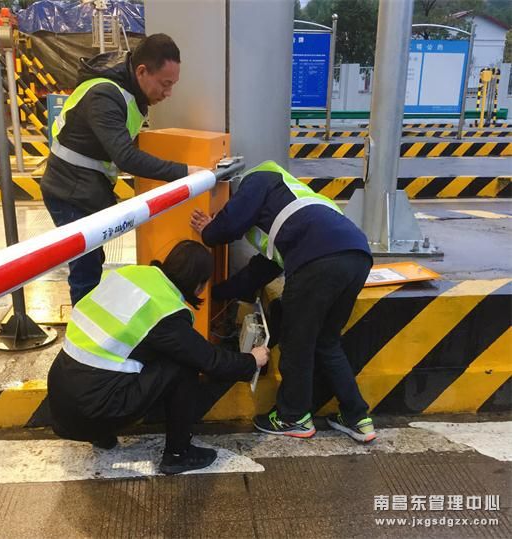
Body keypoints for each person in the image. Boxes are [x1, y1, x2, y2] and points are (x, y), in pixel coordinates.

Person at [190, 160, 376, 443]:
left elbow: (229, 224)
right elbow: (259, 272)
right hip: (357, 256)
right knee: (327, 342)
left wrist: (208, 231)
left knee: (296, 344)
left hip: (317, 261)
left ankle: (293, 416)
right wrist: (217, 293)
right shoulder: (296, 210)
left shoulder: (260, 176)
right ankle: (357, 416)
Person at [47, 240, 269, 475]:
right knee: (182, 364)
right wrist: (252, 360)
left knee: (129, 355)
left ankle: (101, 436)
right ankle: (178, 455)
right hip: (90, 411)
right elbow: (210, 360)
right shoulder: (165, 311)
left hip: (61, 398)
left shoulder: (132, 274)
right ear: (200, 285)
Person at [41, 34, 204, 305]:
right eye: (165, 84)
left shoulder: (128, 92)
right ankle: (84, 327)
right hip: (69, 191)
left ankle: (91, 320)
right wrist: (186, 172)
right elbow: (126, 157)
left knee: (92, 261)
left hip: (84, 187)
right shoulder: (104, 95)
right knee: (85, 269)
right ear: (142, 72)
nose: (168, 93)